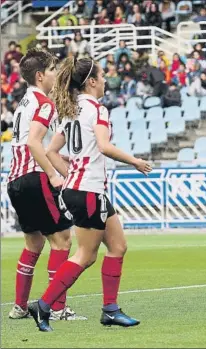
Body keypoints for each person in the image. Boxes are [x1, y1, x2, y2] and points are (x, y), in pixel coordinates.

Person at [27, 57, 153, 332]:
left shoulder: (70, 110)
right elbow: (105, 146)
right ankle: (44, 305)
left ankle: (110, 309)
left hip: (84, 189)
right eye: (103, 75)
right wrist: (135, 161)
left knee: (118, 246)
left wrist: (69, 174)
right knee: (86, 255)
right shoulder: (97, 109)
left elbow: (50, 151)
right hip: (87, 191)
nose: (106, 79)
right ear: (92, 82)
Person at [6, 49, 85, 321]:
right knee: (62, 240)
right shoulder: (44, 103)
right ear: (40, 76)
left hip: (15, 180)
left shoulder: (24, 102)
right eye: (52, 70)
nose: (55, 75)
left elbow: (27, 141)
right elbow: (33, 142)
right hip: (34, 177)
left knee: (33, 244)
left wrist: (54, 158)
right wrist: (52, 172)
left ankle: (19, 306)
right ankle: (59, 308)